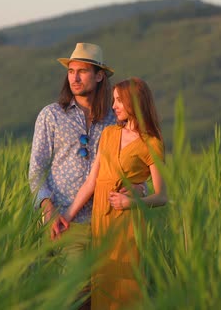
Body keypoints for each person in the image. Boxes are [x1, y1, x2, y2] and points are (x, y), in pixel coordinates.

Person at [29, 43, 143, 309]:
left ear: (100, 75)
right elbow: (36, 169)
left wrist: (139, 188)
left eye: (82, 71)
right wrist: (47, 207)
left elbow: (133, 163)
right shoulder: (51, 116)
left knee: (107, 296)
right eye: (71, 71)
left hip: (111, 222)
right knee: (76, 291)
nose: (75, 78)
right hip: (68, 221)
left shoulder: (114, 119)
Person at [61, 77, 168, 309]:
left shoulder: (152, 143)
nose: (113, 106)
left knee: (125, 282)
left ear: (134, 102)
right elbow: (91, 182)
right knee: (102, 280)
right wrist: (66, 217)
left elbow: (162, 196)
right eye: (113, 100)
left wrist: (130, 202)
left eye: (119, 100)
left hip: (127, 223)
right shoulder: (109, 134)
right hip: (101, 218)